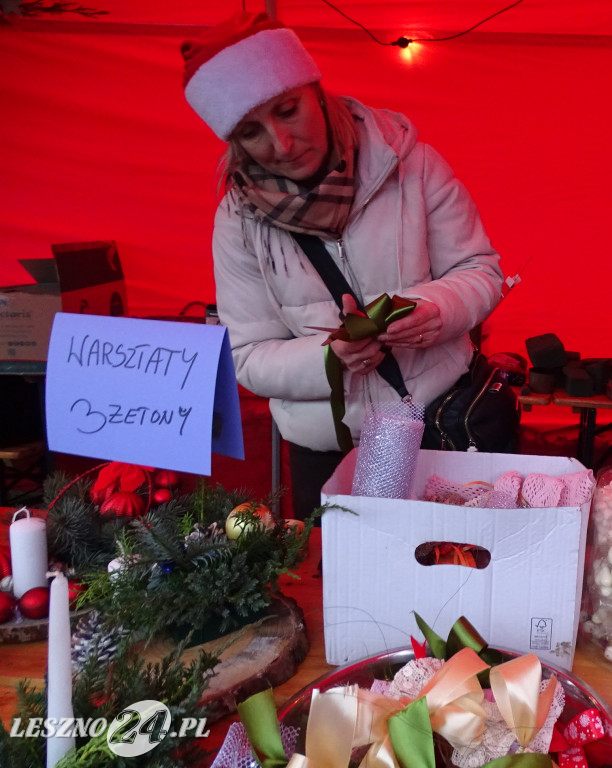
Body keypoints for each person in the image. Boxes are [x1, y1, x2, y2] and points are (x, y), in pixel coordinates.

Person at [181, 12, 503, 519]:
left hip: (437, 429)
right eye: (251, 133)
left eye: (288, 110)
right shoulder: (238, 221)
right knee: (337, 589)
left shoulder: (412, 166)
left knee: (450, 578)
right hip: (328, 449)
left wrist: (432, 311)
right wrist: (331, 357)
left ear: (315, 88)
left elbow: (481, 270)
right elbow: (248, 357)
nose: (281, 145)